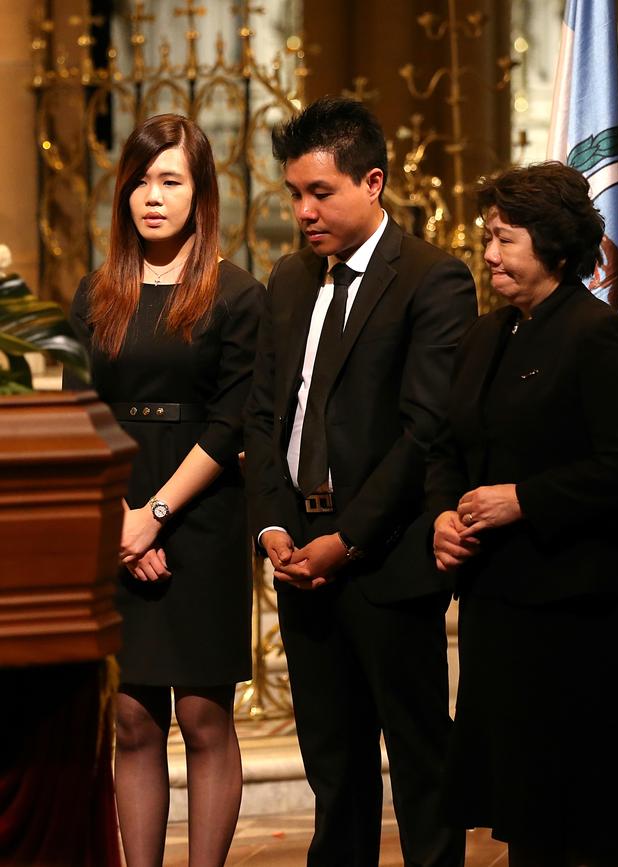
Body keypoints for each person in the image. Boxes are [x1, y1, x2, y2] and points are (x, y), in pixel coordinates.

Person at [244, 96, 477, 867]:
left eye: (321, 192)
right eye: (294, 194)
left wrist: (347, 538)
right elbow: (264, 418)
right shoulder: (285, 280)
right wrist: (276, 527)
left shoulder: (430, 279)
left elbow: (424, 430)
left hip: (385, 554)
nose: (303, 210)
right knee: (333, 768)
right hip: (299, 548)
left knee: (417, 760)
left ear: (372, 182)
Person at [430, 161, 618, 867]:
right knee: (522, 814)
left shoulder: (596, 333)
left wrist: (525, 498)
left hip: (577, 614)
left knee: (578, 823)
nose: (489, 254)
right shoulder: (489, 335)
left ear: (554, 244)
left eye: (505, 238)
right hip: (502, 610)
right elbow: (448, 443)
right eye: (487, 236)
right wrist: (442, 513)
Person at [65, 113, 263, 867]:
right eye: (141, 180)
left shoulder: (235, 293)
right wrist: (120, 519)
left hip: (201, 517)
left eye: (170, 180)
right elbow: (83, 408)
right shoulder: (98, 291)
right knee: (133, 719)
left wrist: (153, 516)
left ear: (199, 194)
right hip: (117, 511)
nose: (152, 195)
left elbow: (229, 420)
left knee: (205, 716)